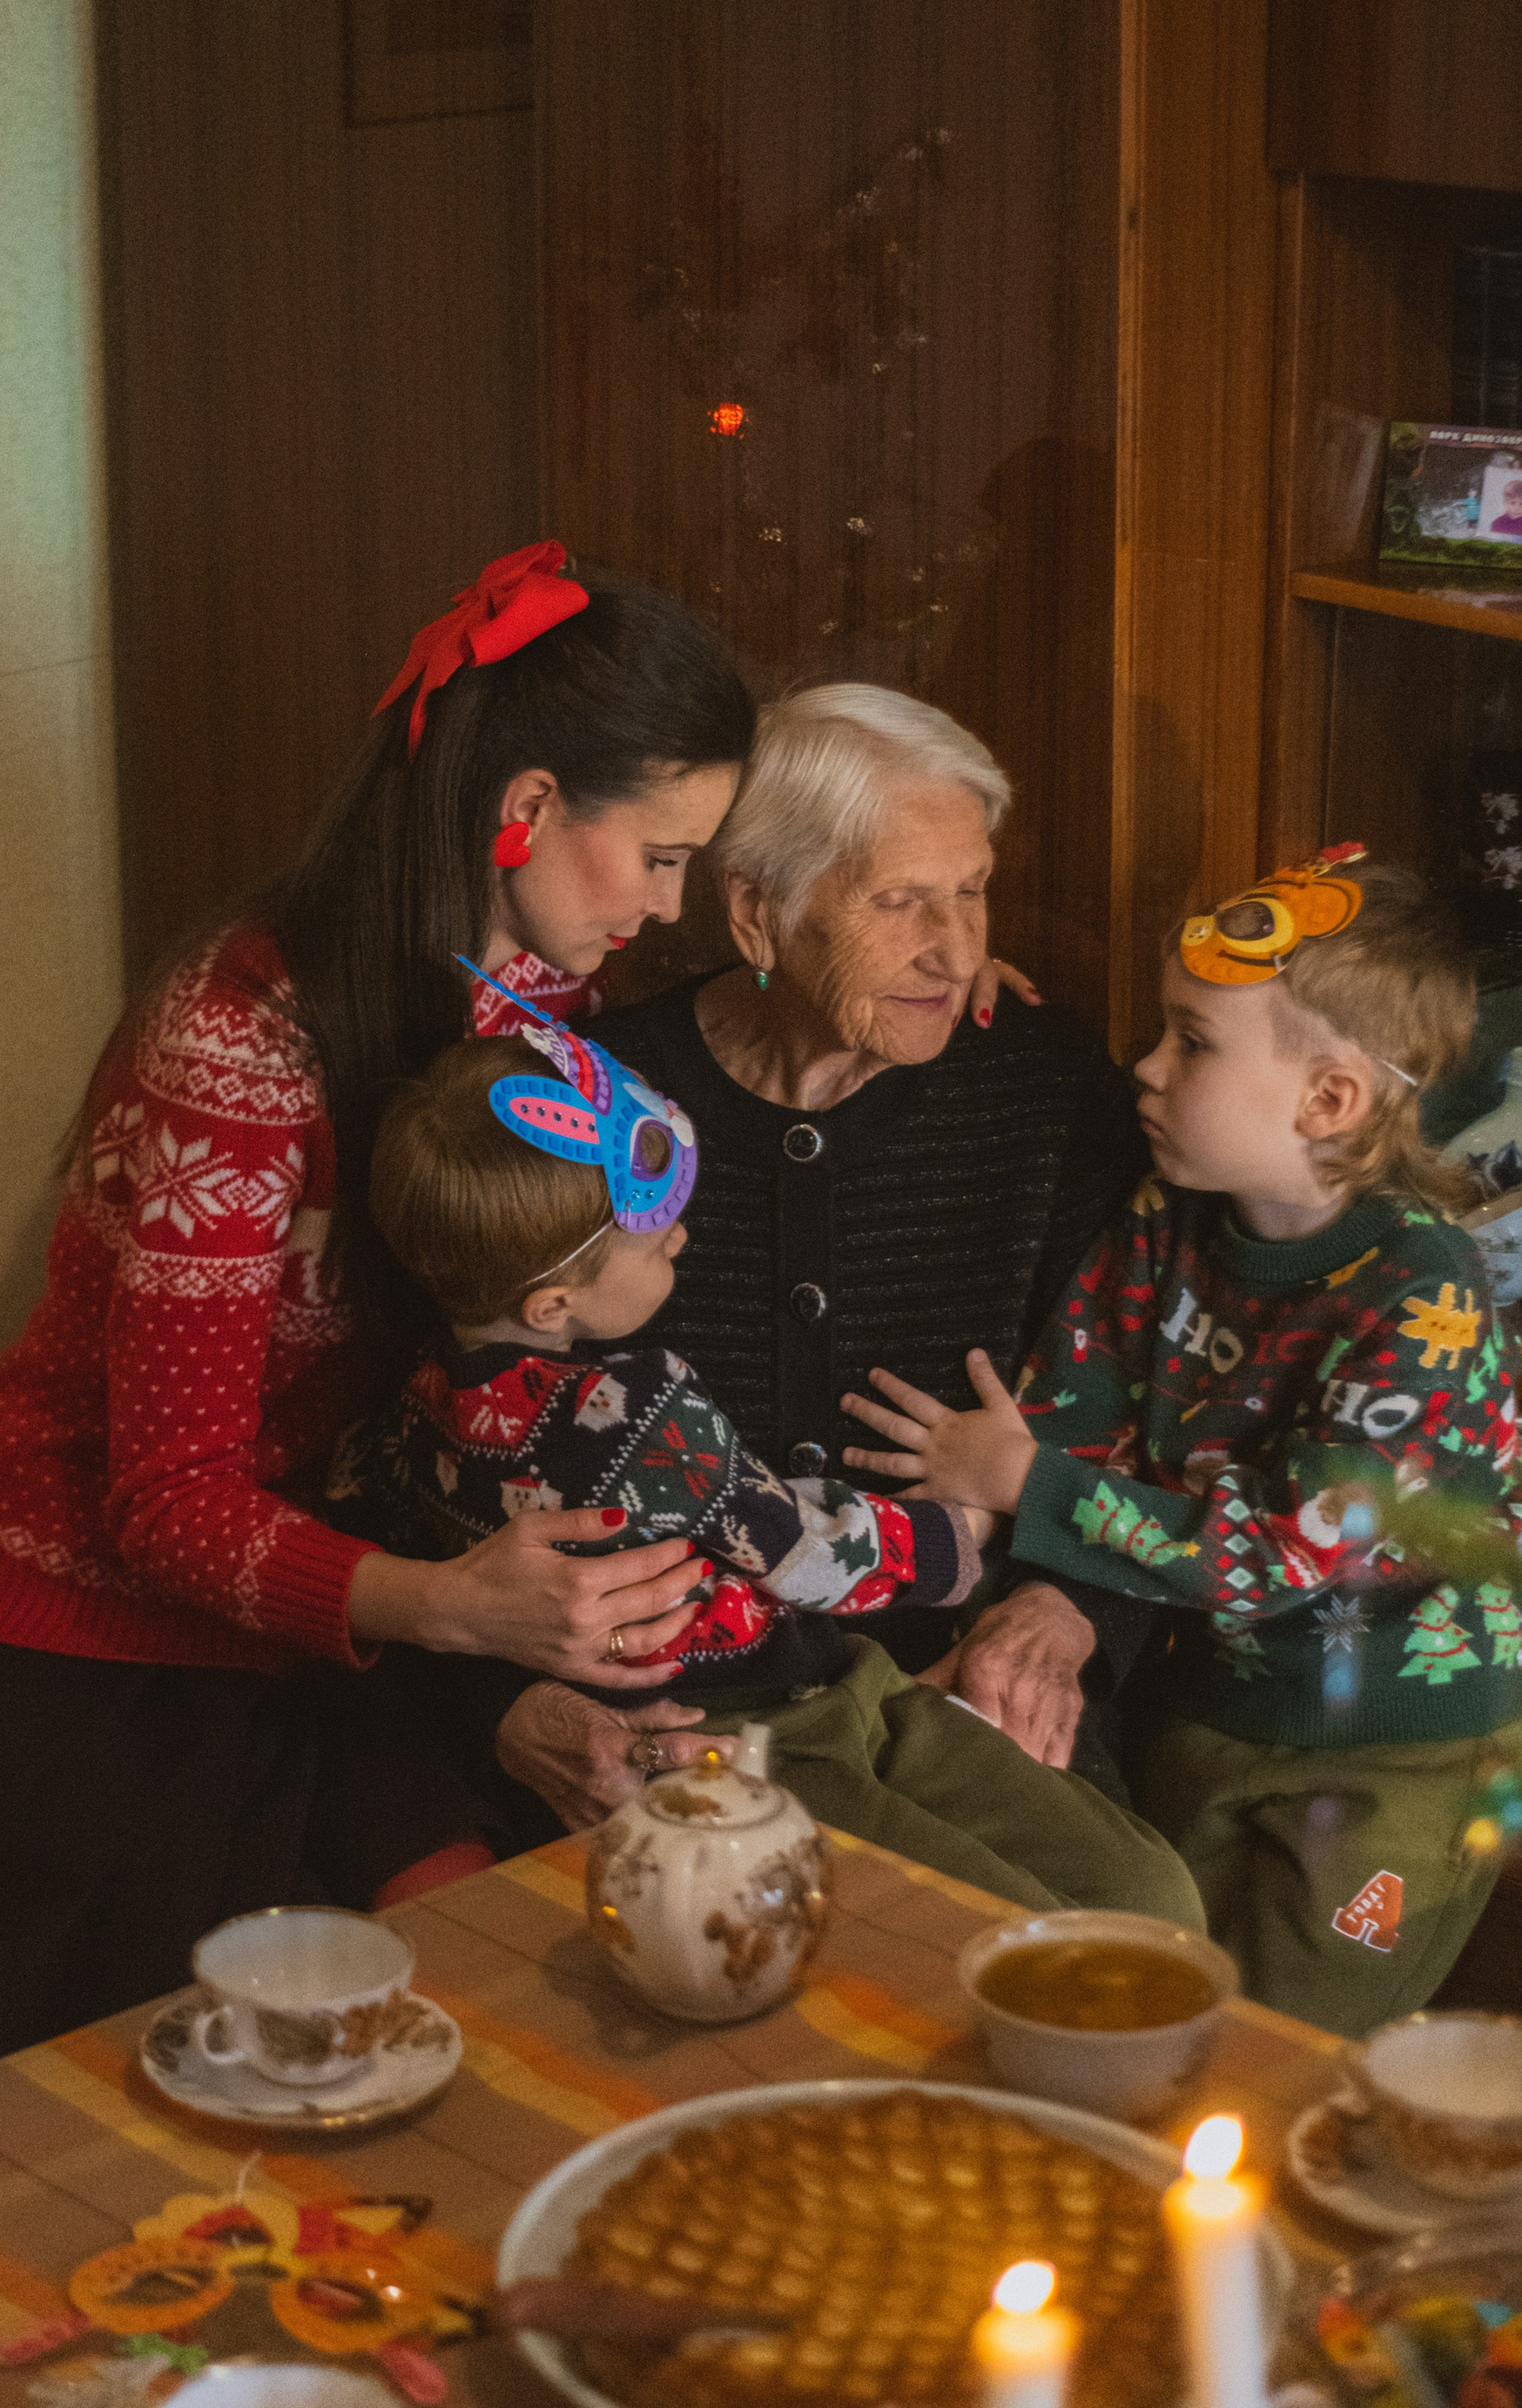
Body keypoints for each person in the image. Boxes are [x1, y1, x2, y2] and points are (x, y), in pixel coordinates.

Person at [0, 543, 757, 2085]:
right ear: (526, 811)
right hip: (82, 1681)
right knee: (92, 2168)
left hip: (322, 1655)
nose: (673, 907)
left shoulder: (544, 1005)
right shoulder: (243, 1035)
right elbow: (163, 1504)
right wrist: (463, 1608)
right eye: (663, 855)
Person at [842, 850, 1522, 2031]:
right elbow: (1072, 1405)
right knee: (1170, 2016)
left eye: (1193, 1043)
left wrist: (1020, 1481)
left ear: (1329, 1101)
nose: (1145, 1069)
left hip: (1395, 1773)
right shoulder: (1166, 1221)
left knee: (1301, 2042)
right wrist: (977, 1496)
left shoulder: (1425, 1293)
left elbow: (1274, 1555)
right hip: (1201, 1718)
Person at [344, 1024, 1204, 1922]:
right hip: (740, 1745)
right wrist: (974, 1526)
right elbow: (811, 1553)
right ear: (552, 1304)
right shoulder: (639, 1409)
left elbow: (412, 1533)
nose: (679, 1237)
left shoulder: (415, 1410)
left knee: (1112, 1905)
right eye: (651, 1238)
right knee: (1047, 1922)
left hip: (843, 1689)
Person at [485, 683, 1153, 1835]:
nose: (954, 952)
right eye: (902, 903)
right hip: (658, 1719)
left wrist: (1061, 1606)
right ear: (757, 914)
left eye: (973, 893)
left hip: (958, 1696)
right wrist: (513, 1698)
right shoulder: (594, 1102)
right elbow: (462, 1429)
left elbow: (1152, 1401)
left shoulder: (1044, 1090)